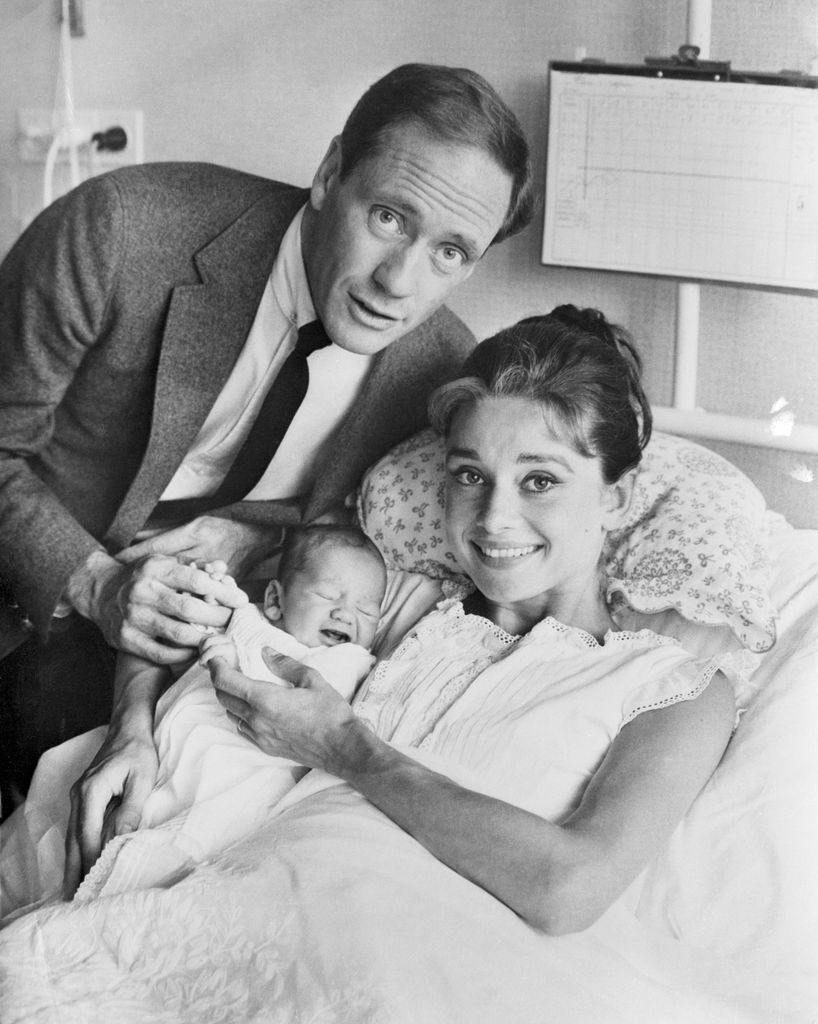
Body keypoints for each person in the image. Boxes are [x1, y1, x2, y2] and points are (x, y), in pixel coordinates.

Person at [0, 308, 750, 1024]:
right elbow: (177, 597)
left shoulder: (674, 688)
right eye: (468, 474)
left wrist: (345, 749)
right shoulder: (394, 596)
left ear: (616, 499)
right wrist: (132, 725)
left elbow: (569, 887)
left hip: (427, 966)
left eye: (540, 480)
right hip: (241, 914)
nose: (493, 518)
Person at [0, 62, 535, 813]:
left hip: (188, 660)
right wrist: (97, 581)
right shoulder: (118, 231)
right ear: (328, 175)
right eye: (389, 218)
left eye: (451, 252)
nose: (399, 283)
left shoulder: (438, 371)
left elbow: (373, 521)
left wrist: (253, 537)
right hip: (27, 594)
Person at [63, 524, 387, 899]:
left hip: (229, 784)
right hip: (161, 753)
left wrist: (229, 662)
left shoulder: (351, 660)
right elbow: (200, 619)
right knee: (94, 837)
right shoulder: (249, 621)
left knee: (165, 860)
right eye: (328, 595)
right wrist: (211, 588)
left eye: (368, 610)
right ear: (276, 601)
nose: (347, 614)